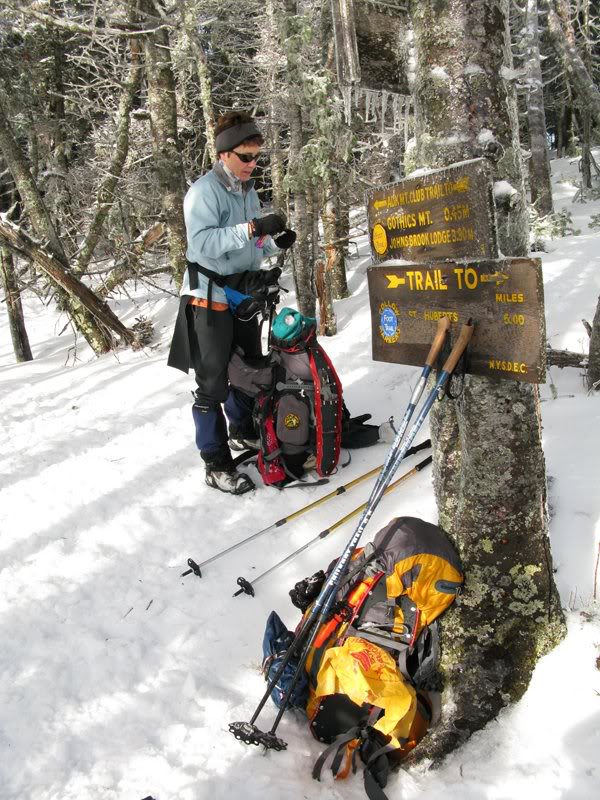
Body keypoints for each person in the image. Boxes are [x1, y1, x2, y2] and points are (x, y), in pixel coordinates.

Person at [168, 111, 296, 495]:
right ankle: (215, 461)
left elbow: (250, 247)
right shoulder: (203, 192)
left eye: (257, 157)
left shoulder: (248, 193)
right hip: (208, 296)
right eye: (245, 157)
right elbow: (203, 244)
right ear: (224, 154)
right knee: (212, 382)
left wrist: (272, 243)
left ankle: (242, 430)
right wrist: (252, 228)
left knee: (246, 368)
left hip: (241, 294)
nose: (252, 165)